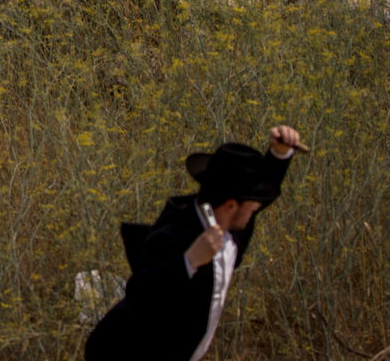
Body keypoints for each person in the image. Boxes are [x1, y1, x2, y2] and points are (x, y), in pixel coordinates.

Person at [84, 125, 304, 361]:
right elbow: (142, 293)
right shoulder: (173, 233)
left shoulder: (230, 223)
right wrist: (189, 262)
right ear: (231, 205)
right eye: (253, 206)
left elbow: (260, 196)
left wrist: (279, 155)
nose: (257, 209)